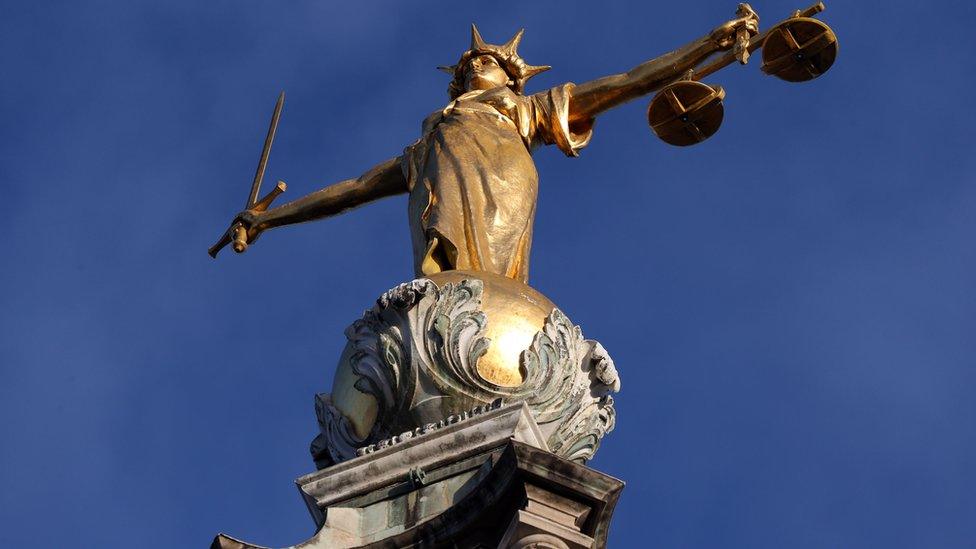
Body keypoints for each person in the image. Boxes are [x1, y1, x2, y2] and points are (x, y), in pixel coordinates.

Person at [229, 11, 758, 283]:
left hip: (504, 182)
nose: (473, 65)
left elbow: (629, 81)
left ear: (511, 77)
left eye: (485, 62)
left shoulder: (528, 110)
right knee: (445, 285)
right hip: (441, 193)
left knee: (495, 290)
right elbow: (354, 189)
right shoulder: (430, 141)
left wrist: (709, 43)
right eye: (466, 66)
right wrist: (269, 219)